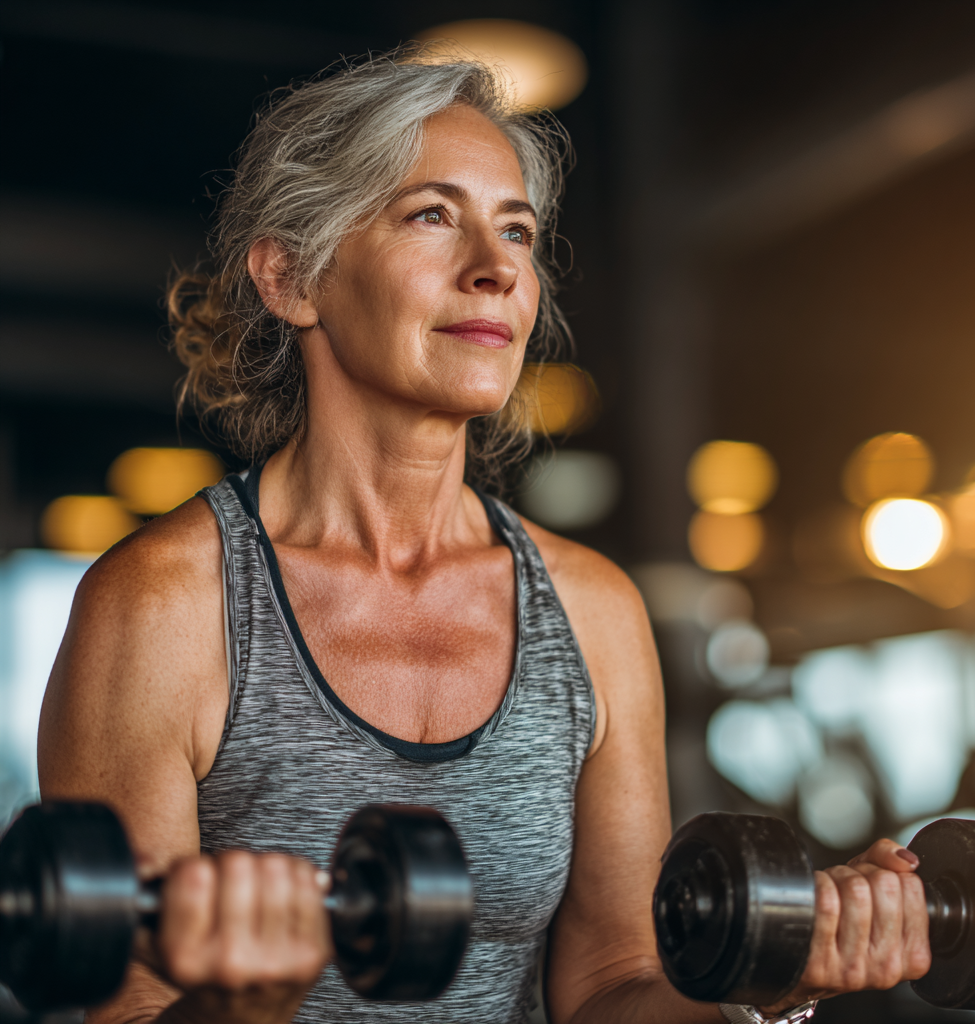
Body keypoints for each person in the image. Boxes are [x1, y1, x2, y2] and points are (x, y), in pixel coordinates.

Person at [38, 53, 930, 1024]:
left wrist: (772, 976)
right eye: (432, 215)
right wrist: (235, 1006)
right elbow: (124, 1007)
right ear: (292, 276)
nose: (497, 268)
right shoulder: (166, 605)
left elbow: (607, 983)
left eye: (517, 231)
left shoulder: (590, 609)